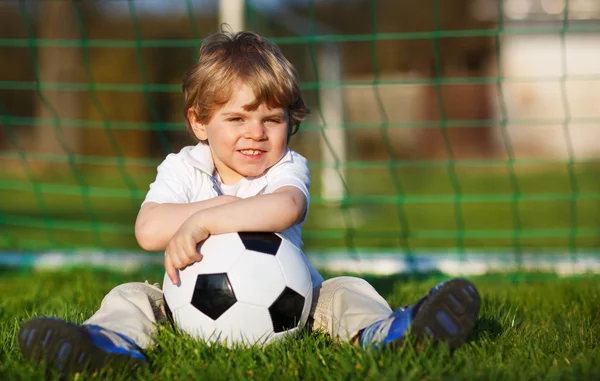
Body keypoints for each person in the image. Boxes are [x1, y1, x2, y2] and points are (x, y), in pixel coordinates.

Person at [17, 30, 481, 376]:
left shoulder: (287, 167)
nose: (256, 133)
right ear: (199, 123)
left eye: (271, 119)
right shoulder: (184, 167)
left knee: (347, 289)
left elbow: (285, 210)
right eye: (236, 117)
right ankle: (108, 346)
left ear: (289, 122)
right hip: (184, 306)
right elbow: (148, 229)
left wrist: (201, 224)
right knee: (130, 296)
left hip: (299, 308)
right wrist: (195, 220)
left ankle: (393, 335)